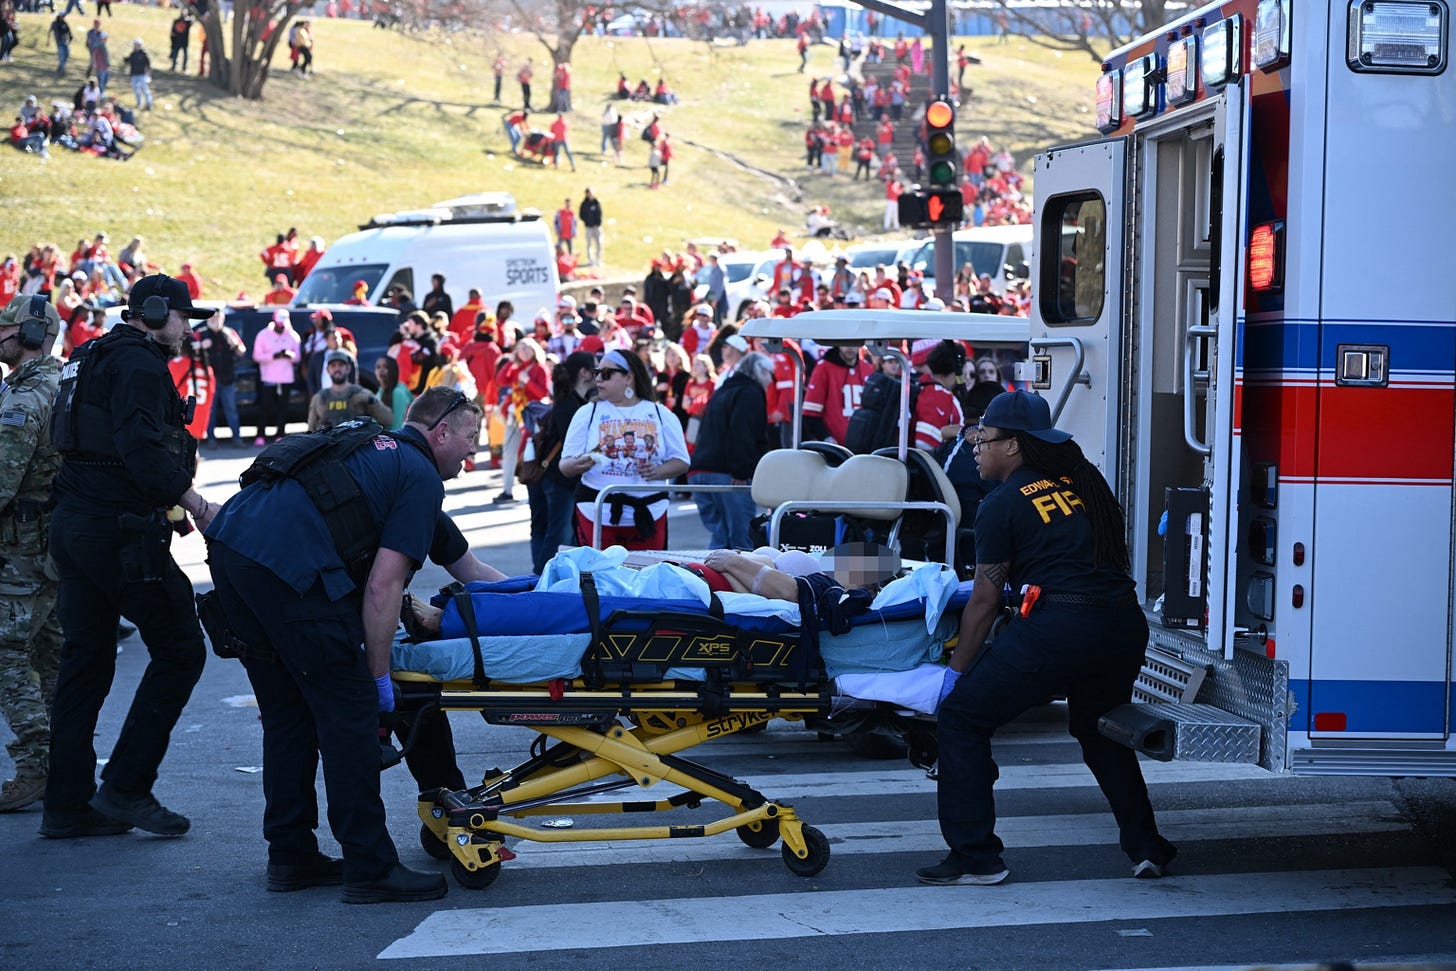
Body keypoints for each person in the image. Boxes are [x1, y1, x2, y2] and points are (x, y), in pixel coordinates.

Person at [205, 388, 495, 902]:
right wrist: (378, 678)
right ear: (441, 432)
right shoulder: (419, 476)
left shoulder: (378, 454)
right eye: (472, 437)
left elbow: (469, 569)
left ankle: (290, 855)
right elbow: (384, 588)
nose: (475, 450)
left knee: (289, 713)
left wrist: (542, 594)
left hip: (233, 553)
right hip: (287, 571)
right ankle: (370, 867)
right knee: (350, 713)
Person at [923, 391, 1177, 887]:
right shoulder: (1085, 483)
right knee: (1099, 730)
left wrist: (955, 675)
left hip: (1060, 627)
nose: (974, 446)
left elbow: (983, 603)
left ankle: (976, 857)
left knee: (961, 720)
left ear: (1013, 446)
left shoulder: (1001, 503)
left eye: (983, 437)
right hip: (1123, 624)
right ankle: (1148, 848)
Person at [42, 274, 219, 839]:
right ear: (153, 310)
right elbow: (140, 447)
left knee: (84, 662)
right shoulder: (139, 364)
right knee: (181, 648)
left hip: (76, 523)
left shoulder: (88, 353)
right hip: (118, 531)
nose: (188, 328)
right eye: (182, 316)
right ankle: (125, 787)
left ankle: (67, 805)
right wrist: (192, 500)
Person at [0, 296, 64, 813]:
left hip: (21, 550)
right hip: (51, 545)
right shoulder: (58, 381)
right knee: (49, 652)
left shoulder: (26, 395)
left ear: (32, 331)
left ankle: (34, 765)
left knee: (7, 654)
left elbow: (3, 478)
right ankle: (60, 763)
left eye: (7, 326)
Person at [559, 349, 689, 549]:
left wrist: (658, 471)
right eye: (597, 373)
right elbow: (565, 465)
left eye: (607, 373)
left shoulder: (660, 413)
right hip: (596, 510)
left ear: (629, 377)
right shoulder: (588, 412)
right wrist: (577, 464)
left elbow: (682, 461)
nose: (599, 379)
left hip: (649, 511)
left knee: (646, 575)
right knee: (602, 577)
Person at [688, 350, 773, 551]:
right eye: (769, 373)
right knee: (741, 542)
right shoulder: (749, 392)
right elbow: (742, 432)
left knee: (721, 539)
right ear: (760, 371)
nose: (771, 380)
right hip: (726, 473)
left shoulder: (723, 390)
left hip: (700, 469)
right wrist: (742, 471)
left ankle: (711, 581)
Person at [531, 351, 595, 573]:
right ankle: (541, 579)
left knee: (557, 532)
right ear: (584, 372)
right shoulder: (569, 404)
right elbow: (575, 441)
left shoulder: (573, 401)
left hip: (558, 478)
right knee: (559, 534)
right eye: (595, 369)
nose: (599, 375)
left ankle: (544, 577)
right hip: (558, 479)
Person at [195, 309, 247, 447]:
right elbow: (186, 348)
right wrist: (200, 345)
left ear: (223, 319)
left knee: (231, 410)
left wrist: (234, 344)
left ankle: (237, 439)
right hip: (208, 379)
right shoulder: (201, 333)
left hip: (227, 378)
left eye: (218, 317)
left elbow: (242, 351)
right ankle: (211, 439)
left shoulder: (229, 332)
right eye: (212, 318)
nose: (215, 320)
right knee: (210, 411)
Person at [308, 350, 392, 431]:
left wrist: (371, 400)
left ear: (348, 368)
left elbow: (388, 419)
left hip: (356, 443)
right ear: (328, 370)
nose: (337, 369)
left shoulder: (361, 394)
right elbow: (311, 431)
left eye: (341, 365)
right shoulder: (319, 398)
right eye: (333, 365)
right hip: (329, 444)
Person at [251, 308, 300, 445]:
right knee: (265, 406)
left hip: (286, 378)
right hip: (269, 378)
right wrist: (274, 356)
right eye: (279, 324)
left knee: (283, 407)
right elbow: (257, 356)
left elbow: (298, 357)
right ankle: (260, 434)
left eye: (283, 325)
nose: (281, 327)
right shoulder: (263, 335)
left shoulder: (292, 335)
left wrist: (290, 355)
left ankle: (280, 434)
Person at [373, 355, 412, 431]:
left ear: (393, 370)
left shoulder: (398, 392)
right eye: (378, 367)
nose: (381, 370)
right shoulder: (380, 391)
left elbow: (397, 426)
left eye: (386, 367)